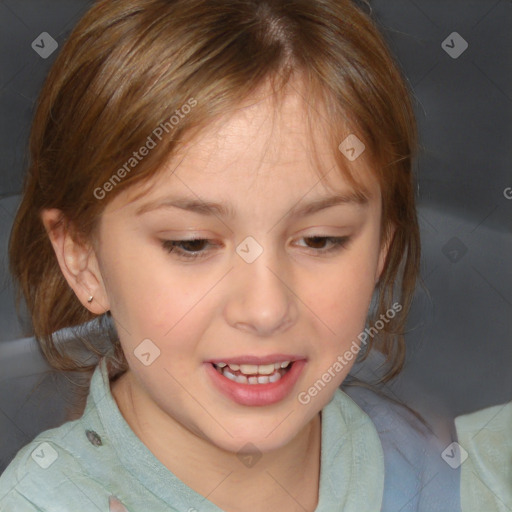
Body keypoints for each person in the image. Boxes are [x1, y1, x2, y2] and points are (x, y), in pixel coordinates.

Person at [0, 0, 460, 510]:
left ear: (381, 249)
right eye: (191, 244)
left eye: (321, 239)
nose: (264, 310)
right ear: (81, 258)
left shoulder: (434, 467)